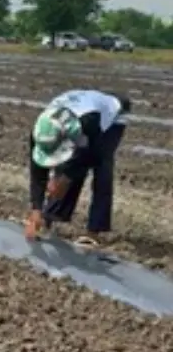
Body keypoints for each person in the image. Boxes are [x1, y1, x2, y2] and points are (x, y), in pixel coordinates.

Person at [25, 90, 131, 245]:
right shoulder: (39, 131)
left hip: (112, 116)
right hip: (79, 109)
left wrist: (65, 178)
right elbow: (37, 172)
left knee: (101, 165)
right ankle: (50, 216)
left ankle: (94, 230)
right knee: (67, 168)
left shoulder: (89, 123)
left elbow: (89, 155)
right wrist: (36, 209)